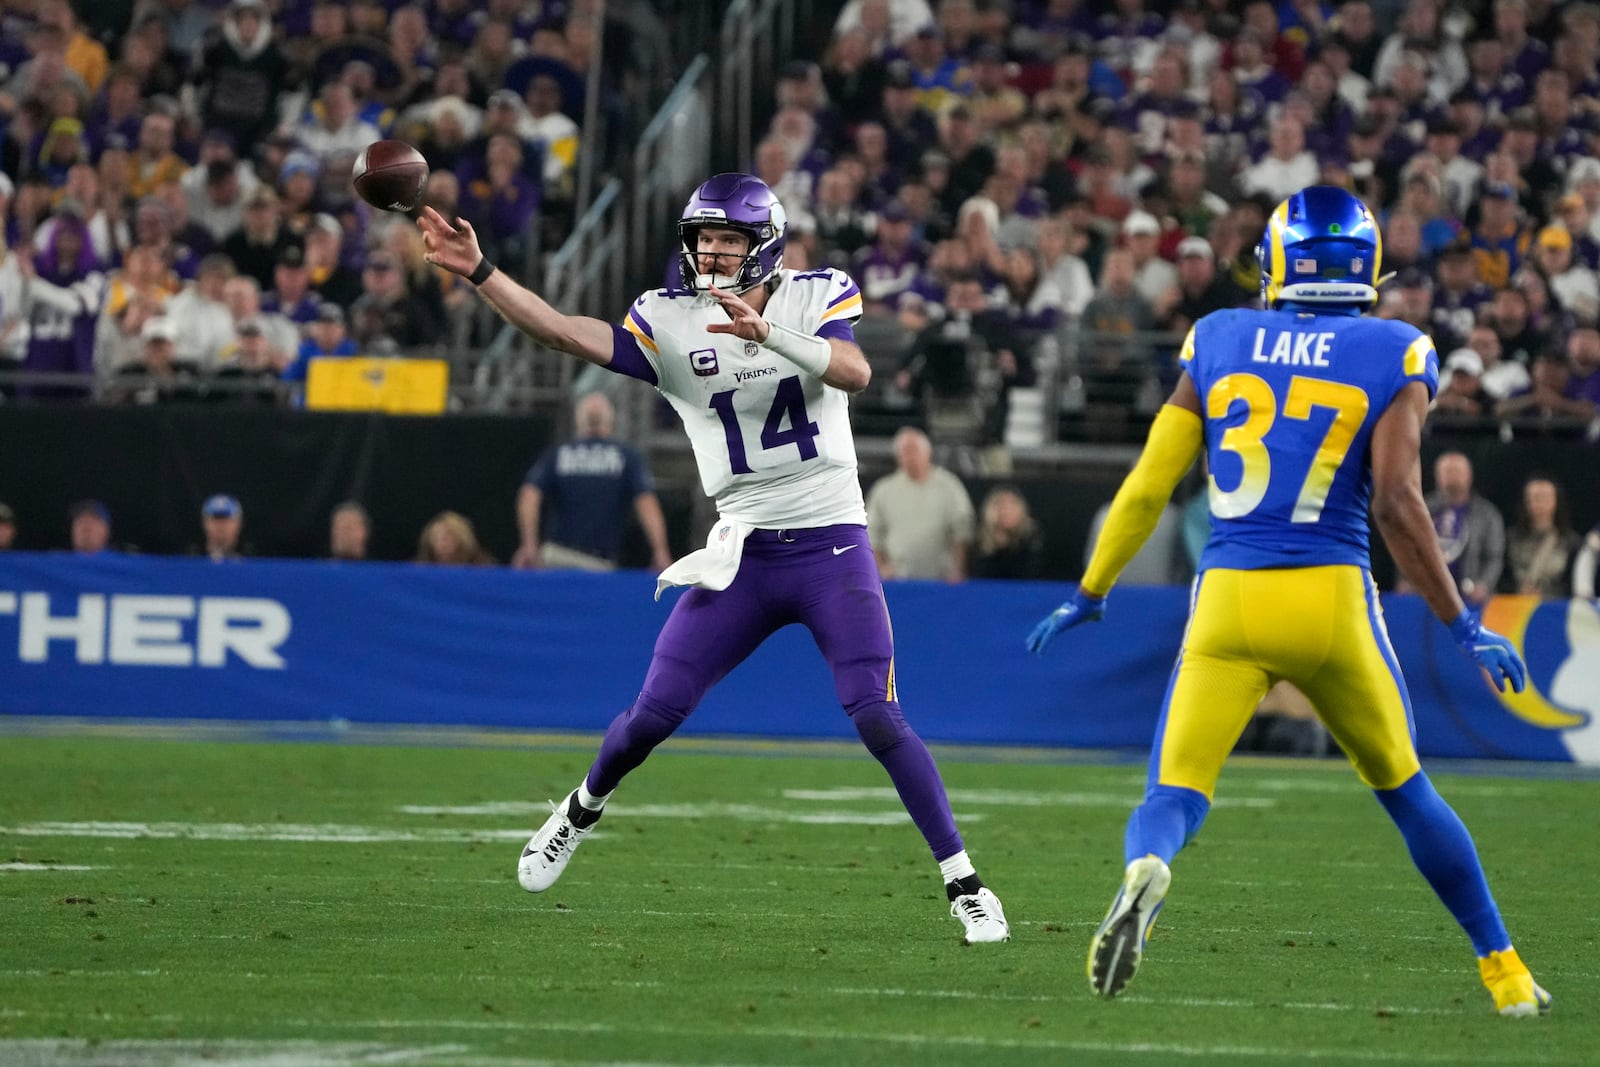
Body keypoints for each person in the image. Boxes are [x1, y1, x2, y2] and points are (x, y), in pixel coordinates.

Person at [417, 172, 1009, 943]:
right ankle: (578, 809)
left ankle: (966, 884)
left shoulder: (812, 293)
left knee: (875, 714)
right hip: (743, 553)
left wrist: (771, 337)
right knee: (652, 715)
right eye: (703, 239)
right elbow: (566, 331)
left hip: (833, 542)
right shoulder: (670, 318)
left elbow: (855, 373)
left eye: (728, 239)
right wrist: (484, 272)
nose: (713, 252)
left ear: (762, 245)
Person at [1024, 186, 1549, 1015]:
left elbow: (1149, 487)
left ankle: (1146, 873)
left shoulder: (1220, 335)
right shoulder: (1397, 348)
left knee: (1172, 794)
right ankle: (1506, 971)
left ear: (1279, 263)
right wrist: (1463, 623)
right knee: (1409, 792)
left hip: (1229, 599)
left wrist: (1091, 591)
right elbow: (1399, 503)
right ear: (1365, 266)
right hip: (1332, 600)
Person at [512, 392, 672, 572]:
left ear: (579, 421)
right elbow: (646, 503)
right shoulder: (625, 456)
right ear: (610, 421)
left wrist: (529, 544)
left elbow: (530, 494)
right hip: (599, 564)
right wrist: (660, 550)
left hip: (556, 556)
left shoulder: (559, 454)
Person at [865, 427, 975, 583]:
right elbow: (872, 533)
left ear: (928, 453)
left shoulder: (949, 486)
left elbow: (962, 529)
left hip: (941, 580)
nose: (909, 457)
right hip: (898, 580)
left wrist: (958, 568)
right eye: (904, 451)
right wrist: (880, 568)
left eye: (914, 450)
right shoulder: (884, 490)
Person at [1424, 451, 1505, 607]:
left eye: (1457, 471)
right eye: (1447, 471)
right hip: (1427, 597)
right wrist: (1406, 581)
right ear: (1437, 475)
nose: (1452, 476)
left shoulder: (1487, 513)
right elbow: (1407, 546)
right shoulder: (1423, 509)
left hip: (1471, 597)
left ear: (1469, 475)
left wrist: (1484, 585)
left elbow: (1494, 556)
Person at [1504, 475, 1579, 598]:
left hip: (1555, 608)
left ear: (1556, 501)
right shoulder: (1510, 539)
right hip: (1516, 605)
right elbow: (1503, 577)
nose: (1539, 504)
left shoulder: (1571, 542)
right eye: (1534, 498)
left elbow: (1572, 583)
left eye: (1544, 498)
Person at [970, 486, 1043, 580]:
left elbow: (1032, 575)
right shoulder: (980, 541)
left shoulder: (1032, 539)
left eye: (1012, 505)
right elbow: (979, 576)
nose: (1007, 510)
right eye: (1001, 505)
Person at [415, 510, 495, 565]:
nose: (442, 543)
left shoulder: (482, 568)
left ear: (462, 539)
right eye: (436, 538)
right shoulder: (419, 570)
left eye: (448, 537)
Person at [194, 494, 248, 562]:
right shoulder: (190, 557)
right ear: (204, 523)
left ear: (239, 523)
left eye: (226, 520)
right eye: (215, 519)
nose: (220, 526)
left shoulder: (252, 557)